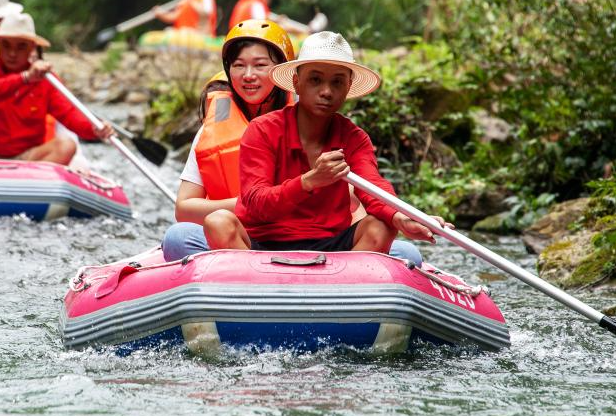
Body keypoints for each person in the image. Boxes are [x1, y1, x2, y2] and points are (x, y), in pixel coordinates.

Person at [160, 21, 423, 264]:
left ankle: (338, 292)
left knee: (387, 230)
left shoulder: (353, 136)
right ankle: (261, 291)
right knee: (210, 225)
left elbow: (374, 187)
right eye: (316, 80)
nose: (326, 92)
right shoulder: (261, 130)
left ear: (348, 87)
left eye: (337, 82)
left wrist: (400, 215)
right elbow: (254, 203)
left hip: (331, 245)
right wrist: (309, 182)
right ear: (296, 82)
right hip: (263, 242)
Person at [0, 12, 113, 163]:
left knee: (66, 145)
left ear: (32, 47)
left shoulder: (46, 79)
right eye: (6, 45)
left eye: (21, 46)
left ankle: (32, 191)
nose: (12, 53)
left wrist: (94, 129)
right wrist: (24, 78)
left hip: (27, 159)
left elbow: (69, 114)